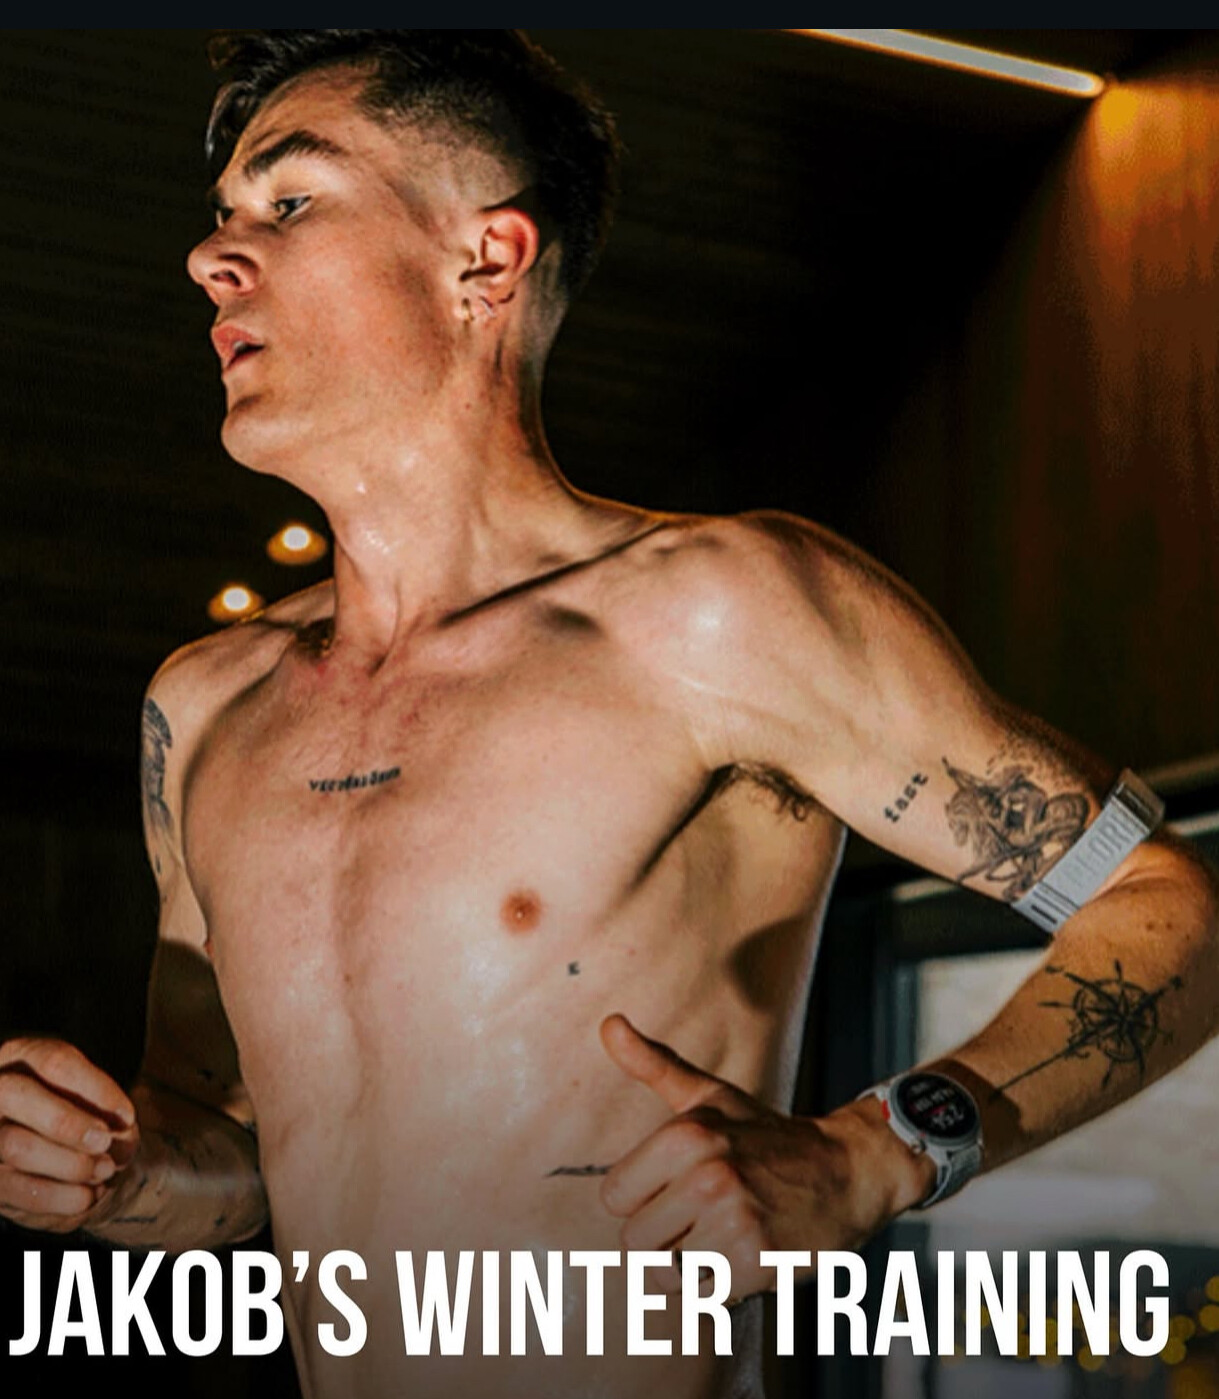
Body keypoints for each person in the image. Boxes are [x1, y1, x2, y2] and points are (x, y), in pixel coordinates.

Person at [0, 29, 1214, 1399]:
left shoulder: (720, 611)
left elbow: (1169, 906)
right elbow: (236, 1155)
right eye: (220, 215)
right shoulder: (204, 705)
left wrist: (879, 1152)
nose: (209, 258)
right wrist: (113, 1174)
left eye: (288, 201)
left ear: (488, 260)